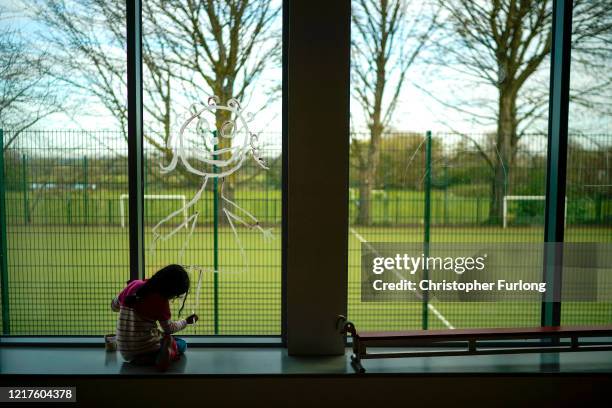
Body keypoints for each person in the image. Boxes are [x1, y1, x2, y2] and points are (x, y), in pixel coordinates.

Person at [110, 264, 198, 371]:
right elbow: (169, 328)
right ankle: (158, 353)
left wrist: (126, 291)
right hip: (145, 346)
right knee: (181, 344)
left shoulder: (134, 284)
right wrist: (186, 321)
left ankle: (143, 357)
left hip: (124, 350)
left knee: (163, 339)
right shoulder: (161, 301)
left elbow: (114, 307)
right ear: (171, 291)